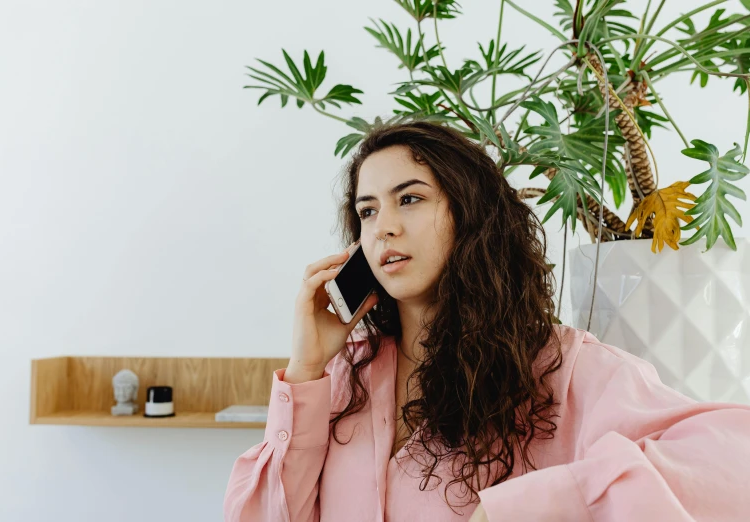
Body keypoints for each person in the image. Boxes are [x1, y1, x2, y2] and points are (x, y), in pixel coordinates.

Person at [223, 120, 750, 521]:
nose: (383, 227)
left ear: (470, 213)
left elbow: (733, 462)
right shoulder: (341, 379)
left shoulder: (560, 368)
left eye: (409, 199)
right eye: (367, 211)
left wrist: (525, 507)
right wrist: (306, 368)